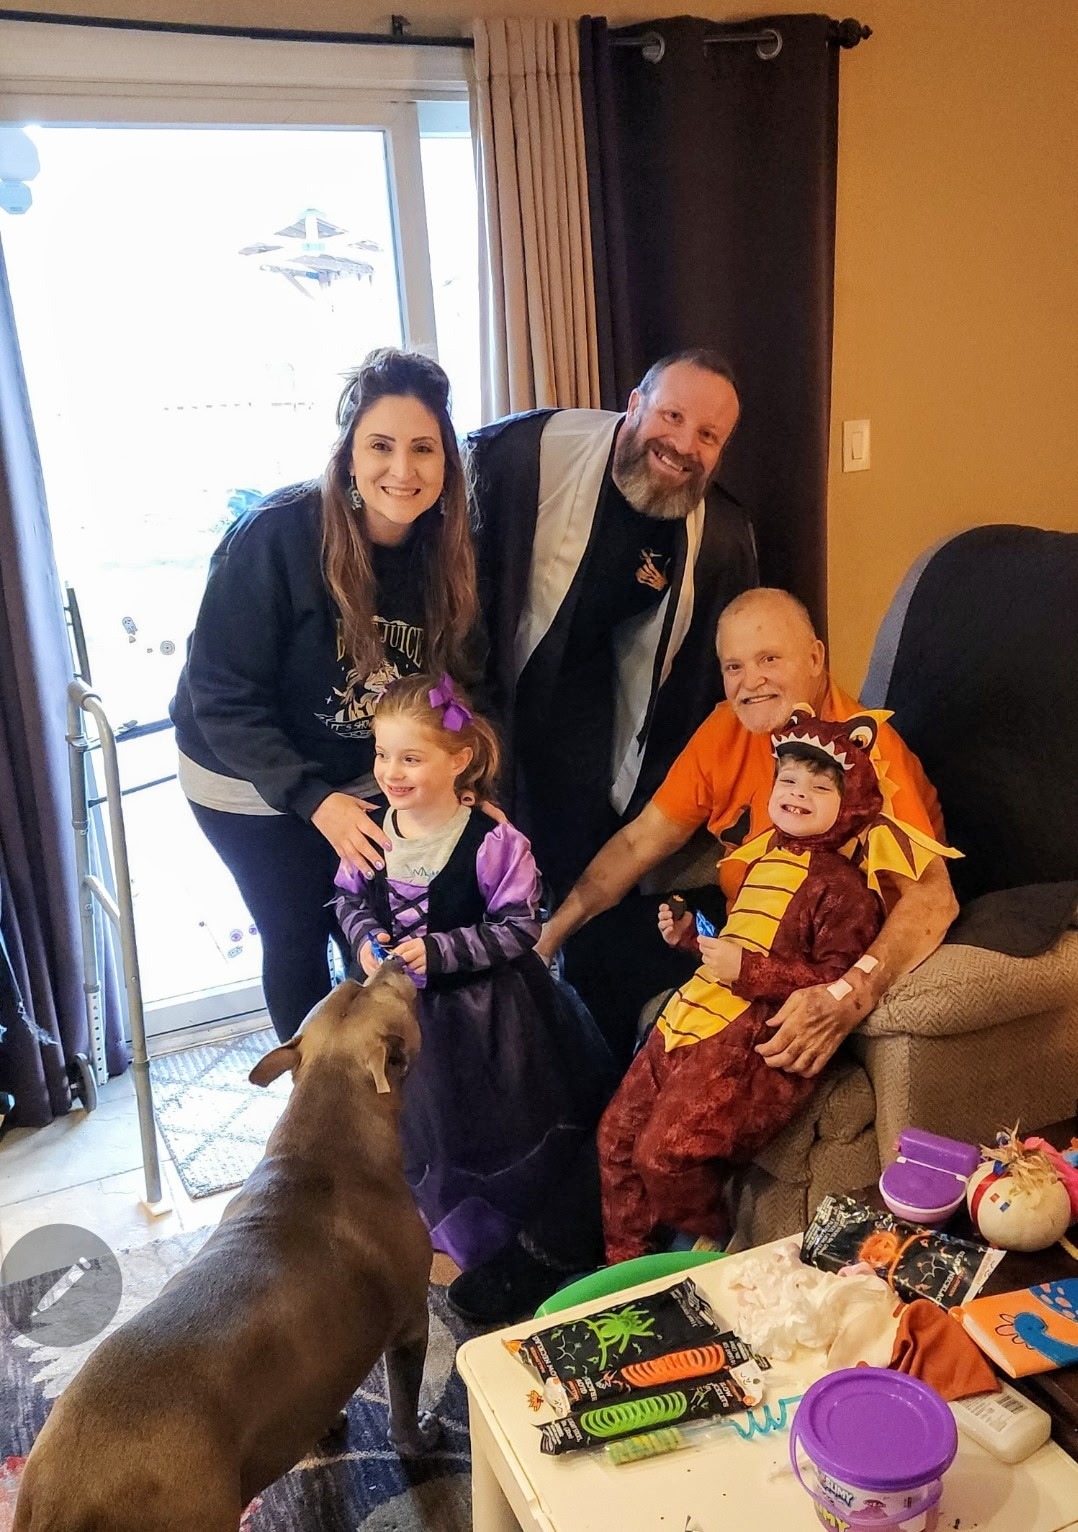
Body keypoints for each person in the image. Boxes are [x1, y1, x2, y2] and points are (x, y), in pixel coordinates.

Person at [446, 586, 959, 1322]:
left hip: (812, 957)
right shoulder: (728, 731)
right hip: (742, 931)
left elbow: (934, 899)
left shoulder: (862, 753)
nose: (750, 681)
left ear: (817, 659)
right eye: (733, 665)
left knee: (665, 1075)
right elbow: (638, 844)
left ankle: (560, 1243)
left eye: (770, 659)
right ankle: (590, 1188)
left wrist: (849, 996)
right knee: (596, 951)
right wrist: (547, 938)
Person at [170, 349, 483, 1043]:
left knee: (375, 930)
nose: (402, 470)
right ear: (348, 456)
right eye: (381, 446)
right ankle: (317, 1100)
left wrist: (469, 776)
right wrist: (313, 800)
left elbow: (461, 683)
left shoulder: (448, 550)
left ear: (446, 463)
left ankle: (386, 1085)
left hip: (359, 765)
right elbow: (222, 695)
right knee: (298, 929)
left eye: (423, 448)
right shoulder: (277, 536)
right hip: (244, 774)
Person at [469, 349, 757, 1042]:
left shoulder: (717, 534)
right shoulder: (527, 454)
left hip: (587, 709)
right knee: (472, 865)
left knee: (568, 875)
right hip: (485, 685)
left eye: (708, 435)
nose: (683, 444)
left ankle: (552, 1033)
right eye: (672, 415)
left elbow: (715, 662)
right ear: (634, 404)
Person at [599, 708, 956, 1262]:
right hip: (687, 1019)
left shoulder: (844, 889)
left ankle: (711, 1250)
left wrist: (748, 971)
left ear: (851, 802)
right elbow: (744, 939)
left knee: (662, 1153)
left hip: (745, 1042)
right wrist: (693, 937)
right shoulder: (760, 859)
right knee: (614, 1138)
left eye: (820, 786)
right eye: (788, 781)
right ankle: (625, 1267)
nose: (798, 793)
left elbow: (828, 980)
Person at [333, 673, 614, 1271]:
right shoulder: (372, 830)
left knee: (488, 1121)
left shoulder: (494, 841)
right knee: (419, 1123)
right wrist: (364, 939)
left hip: (487, 1017)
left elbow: (520, 926)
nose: (391, 772)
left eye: (411, 758)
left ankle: (505, 1234)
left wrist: (439, 951)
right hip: (401, 1015)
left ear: (459, 760)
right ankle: (434, 1222)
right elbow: (348, 899)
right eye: (382, 754)